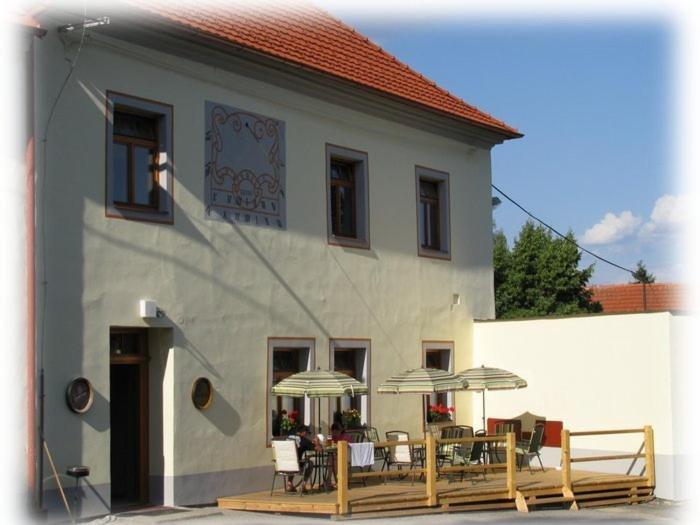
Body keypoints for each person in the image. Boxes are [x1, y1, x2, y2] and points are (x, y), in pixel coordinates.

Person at [286, 425, 320, 492]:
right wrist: (316, 442)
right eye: (307, 433)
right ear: (304, 432)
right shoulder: (304, 441)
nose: (307, 435)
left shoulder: (288, 438)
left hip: (284, 465)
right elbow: (318, 449)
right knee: (310, 463)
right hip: (297, 465)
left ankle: (289, 484)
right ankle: (303, 485)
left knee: (293, 460)